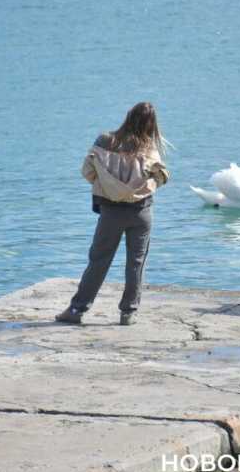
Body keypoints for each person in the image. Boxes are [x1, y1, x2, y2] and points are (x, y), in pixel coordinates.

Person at [56, 102, 170, 326]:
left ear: (127, 117)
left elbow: (87, 171)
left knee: (98, 261)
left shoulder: (104, 141)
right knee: (136, 263)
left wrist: (107, 185)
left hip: (110, 212)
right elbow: (161, 177)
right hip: (142, 212)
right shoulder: (150, 150)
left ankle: (77, 309)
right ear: (152, 125)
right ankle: (128, 313)